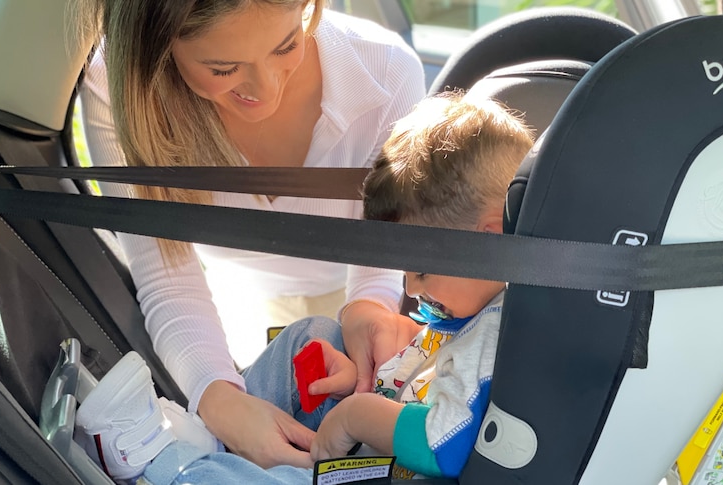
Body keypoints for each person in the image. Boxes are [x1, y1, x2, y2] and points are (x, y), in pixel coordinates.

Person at [75, 92, 535, 483]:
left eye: (422, 270)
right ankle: (214, 438)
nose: (411, 289)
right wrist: (372, 377)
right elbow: (435, 371)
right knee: (309, 337)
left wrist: (356, 414)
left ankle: (174, 468)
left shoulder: (495, 330)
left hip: (401, 468)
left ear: (487, 240)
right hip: (386, 425)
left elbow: (445, 444)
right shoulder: (481, 308)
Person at [75, 0, 426, 468]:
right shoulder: (117, 91)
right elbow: (168, 275)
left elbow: (384, 243)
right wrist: (219, 401)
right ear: (156, 46)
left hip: (365, 296)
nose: (267, 89)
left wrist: (369, 307)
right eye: (223, 68)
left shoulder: (387, 73)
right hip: (228, 312)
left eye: (287, 45)